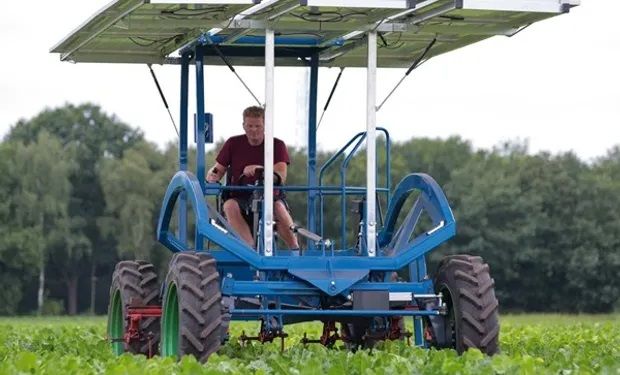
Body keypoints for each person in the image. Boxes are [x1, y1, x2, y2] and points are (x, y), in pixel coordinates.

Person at [206, 106, 299, 249]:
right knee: (229, 205)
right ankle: (250, 250)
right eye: (249, 126)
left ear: (265, 125)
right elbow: (218, 169)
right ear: (243, 125)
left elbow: (281, 175)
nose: (253, 130)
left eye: (257, 126)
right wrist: (213, 176)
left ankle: (295, 249)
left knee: (278, 207)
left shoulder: (277, 145)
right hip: (240, 198)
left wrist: (259, 169)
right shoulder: (233, 143)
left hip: (269, 196)